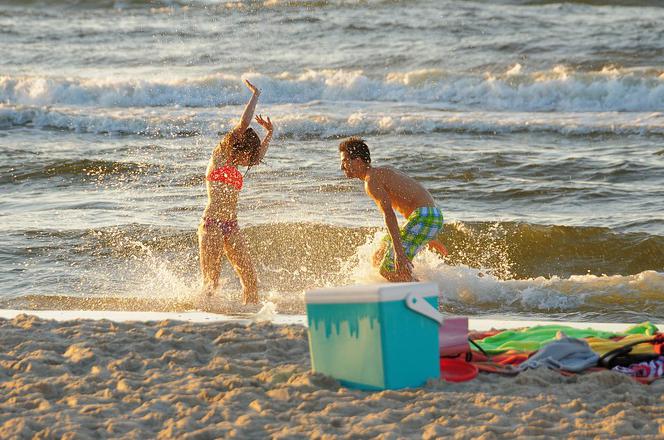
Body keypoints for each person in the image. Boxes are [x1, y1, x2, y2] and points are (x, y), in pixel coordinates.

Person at [198, 79, 273, 305]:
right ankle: (207, 314)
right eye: (247, 156)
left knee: (250, 278)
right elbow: (243, 125)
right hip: (211, 224)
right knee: (212, 282)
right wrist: (255, 96)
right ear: (238, 147)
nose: (249, 161)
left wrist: (269, 134)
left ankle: (249, 311)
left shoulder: (240, 163)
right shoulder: (219, 156)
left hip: (232, 225)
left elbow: (258, 157)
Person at [339, 137, 447, 282]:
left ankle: (426, 300)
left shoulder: (371, 181)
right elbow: (413, 198)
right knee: (378, 256)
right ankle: (407, 292)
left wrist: (399, 252)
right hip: (429, 216)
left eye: (344, 161)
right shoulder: (381, 172)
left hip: (425, 217)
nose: (342, 167)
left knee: (388, 269)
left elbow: (389, 214)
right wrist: (427, 236)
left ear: (358, 161)